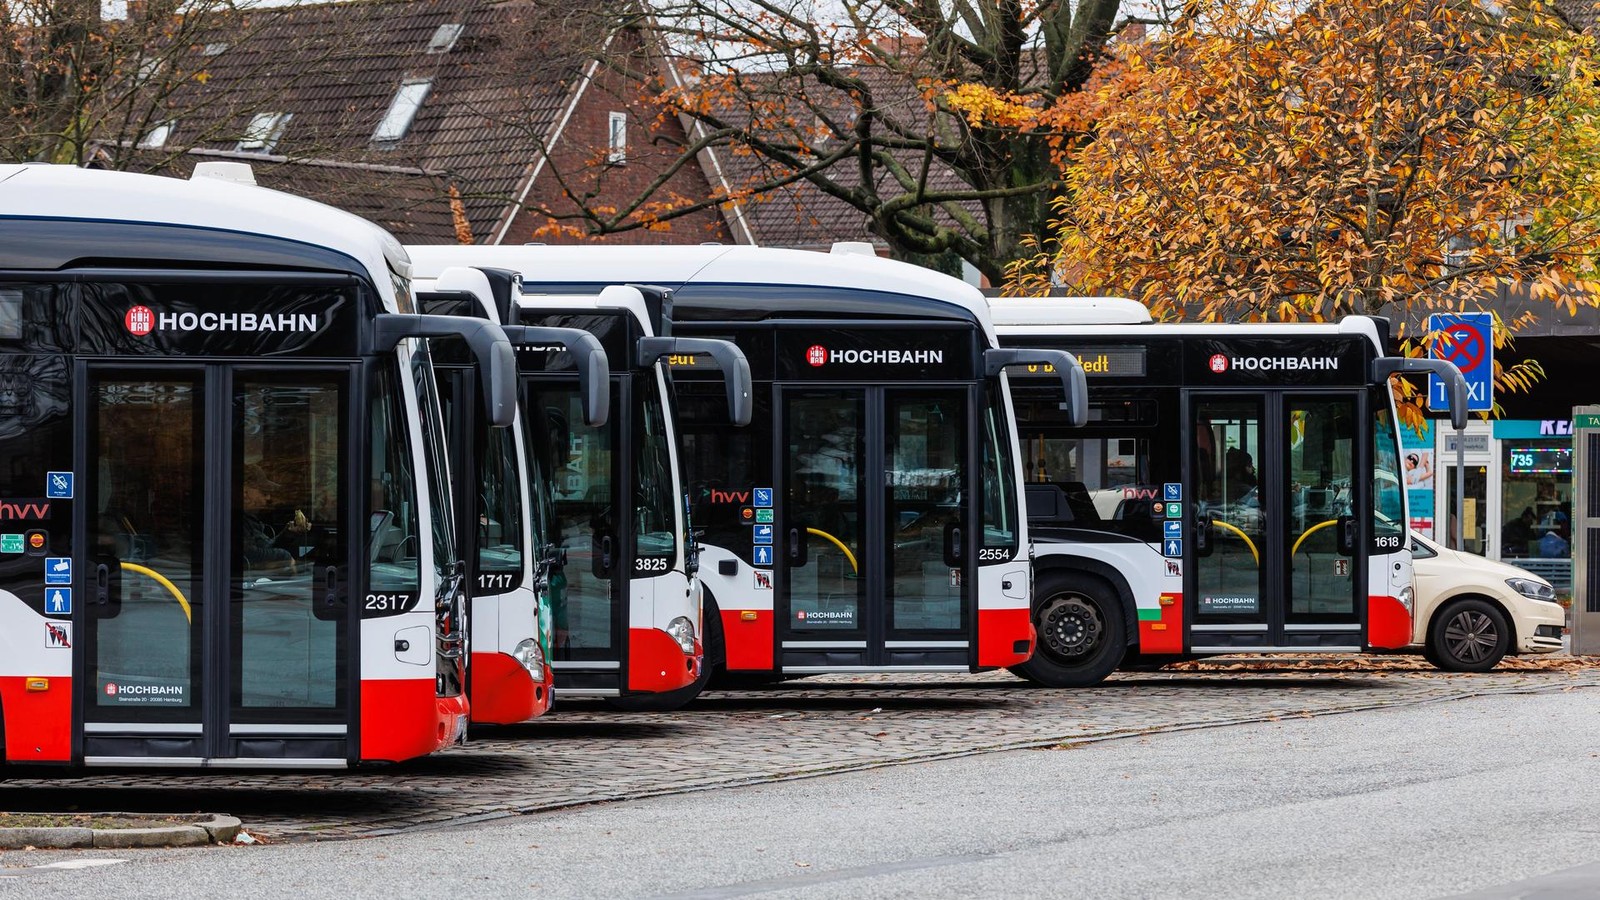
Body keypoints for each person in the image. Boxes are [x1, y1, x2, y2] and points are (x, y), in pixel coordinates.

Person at [242, 465, 310, 573]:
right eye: (264, 492)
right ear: (245, 493)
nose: (268, 498)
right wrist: (284, 557)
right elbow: (251, 555)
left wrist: (288, 533)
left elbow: (266, 549)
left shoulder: (250, 521)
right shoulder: (237, 523)